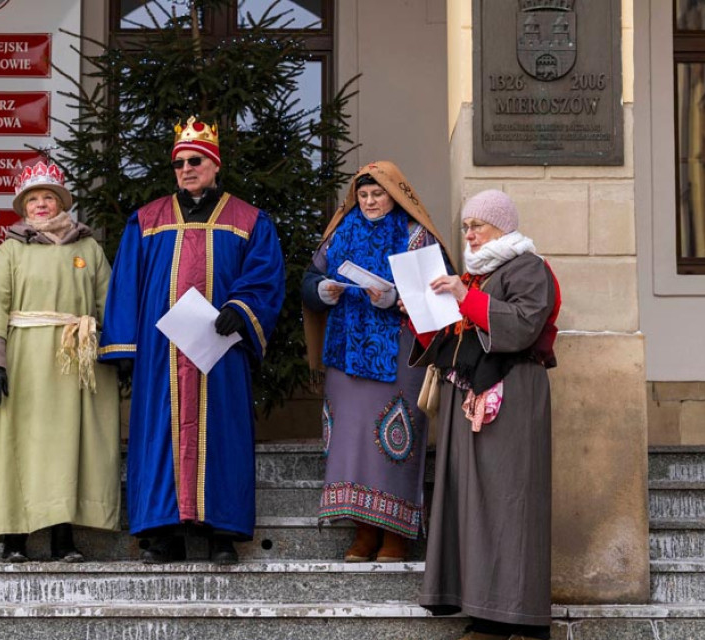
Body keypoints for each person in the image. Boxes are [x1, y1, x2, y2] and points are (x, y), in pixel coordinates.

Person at [99, 115, 286, 565]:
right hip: (161, 355)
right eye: (180, 163)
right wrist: (124, 347)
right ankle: (163, 535)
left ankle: (222, 534)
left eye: (196, 161)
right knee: (160, 437)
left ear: (214, 165)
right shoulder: (146, 220)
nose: (187, 169)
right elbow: (126, 283)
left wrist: (239, 310)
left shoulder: (249, 220)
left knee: (222, 437)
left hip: (219, 353)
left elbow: (265, 277)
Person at [412, 189, 561, 640]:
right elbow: (455, 339)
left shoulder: (529, 267)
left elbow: (521, 324)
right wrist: (418, 314)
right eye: (466, 227)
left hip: (512, 396)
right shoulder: (476, 275)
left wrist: (462, 294)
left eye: (479, 225)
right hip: (471, 398)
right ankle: (481, 609)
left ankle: (511, 616)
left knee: (507, 502)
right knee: (473, 503)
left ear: (503, 226)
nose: (470, 234)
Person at [0, 161, 121, 562]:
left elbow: (112, 306)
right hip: (25, 363)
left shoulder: (89, 249)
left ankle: (62, 537)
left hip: (77, 363)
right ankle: (14, 537)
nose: (42, 205)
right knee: (19, 444)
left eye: (49, 197)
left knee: (69, 447)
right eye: (33, 199)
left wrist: (118, 354)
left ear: (61, 202)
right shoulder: (11, 249)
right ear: (23, 207)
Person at [301, 161, 454, 563]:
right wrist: (323, 291)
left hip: (398, 353)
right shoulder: (338, 234)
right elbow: (308, 282)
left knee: (392, 444)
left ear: (396, 195)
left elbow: (443, 286)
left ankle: (395, 537)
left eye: (378, 195)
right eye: (364, 195)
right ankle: (363, 535)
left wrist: (395, 298)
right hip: (345, 355)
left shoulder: (414, 234)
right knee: (351, 444)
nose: (370, 202)